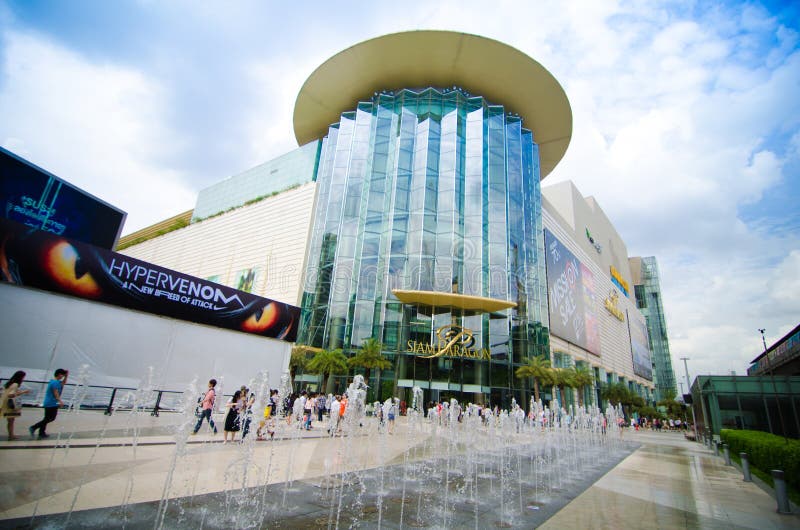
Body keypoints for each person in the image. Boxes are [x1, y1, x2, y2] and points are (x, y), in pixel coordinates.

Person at [30, 368, 68, 439]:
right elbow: (55, 393)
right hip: (51, 403)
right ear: (59, 374)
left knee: (46, 418)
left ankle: (41, 433)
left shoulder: (55, 382)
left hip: (50, 403)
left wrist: (66, 376)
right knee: (51, 418)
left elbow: (63, 383)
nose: (62, 376)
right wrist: (60, 401)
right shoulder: (55, 383)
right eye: (62, 375)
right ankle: (33, 427)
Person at [2, 371, 30, 440]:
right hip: (10, 405)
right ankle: (11, 435)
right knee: (11, 420)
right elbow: (11, 394)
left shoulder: (9, 383)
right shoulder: (15, 384)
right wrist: (23, 392)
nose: (23, 379)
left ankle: (11, 434)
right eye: (23, 377)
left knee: (10, 420)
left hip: (5, 403)